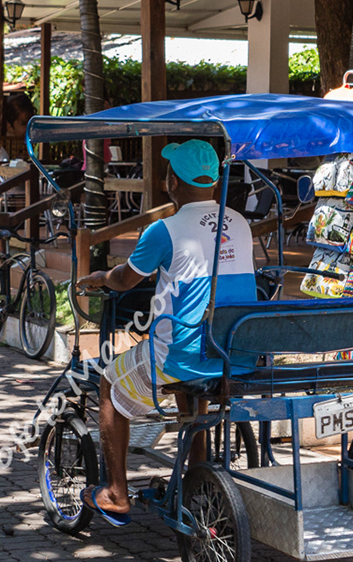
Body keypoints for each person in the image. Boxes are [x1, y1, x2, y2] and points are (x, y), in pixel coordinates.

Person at [72, 140, 256, 525]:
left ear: (173, 180)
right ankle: (199, 474)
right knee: (196, 384)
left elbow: (124, 280)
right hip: (234, 351)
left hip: (183, 354)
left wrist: (98, 278)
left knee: (108, 382)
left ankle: (117, 493)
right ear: (214, 179)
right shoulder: (238, 222)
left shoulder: (164, 230)